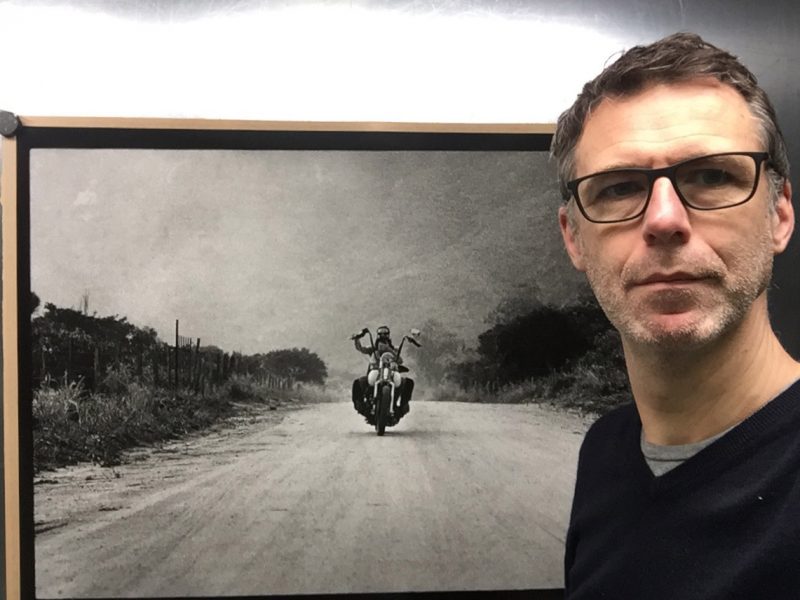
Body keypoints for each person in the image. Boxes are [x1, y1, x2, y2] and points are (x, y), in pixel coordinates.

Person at [552, 32, 800, 599]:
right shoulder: (606, 452)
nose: (664, 219)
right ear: (573, 238)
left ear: (780, 215)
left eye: (712, 176)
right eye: (619, 188)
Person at [351, 326, 414, 414]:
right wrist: (356, 339)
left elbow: (400, 360)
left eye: (385, 334)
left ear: (389, 336)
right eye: (381, 334)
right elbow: (360, 348)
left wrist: (389, 350)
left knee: (409, 383)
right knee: (357, 383)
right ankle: (361, 405)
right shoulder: (373, 349)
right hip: (375, 373)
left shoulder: (394, 349)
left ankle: (403, 405)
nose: (383, 336)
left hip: (391, 374)